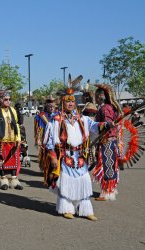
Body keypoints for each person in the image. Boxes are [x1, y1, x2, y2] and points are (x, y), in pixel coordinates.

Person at [45, 74, 109, 221]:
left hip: (79, 156)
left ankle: (86, 210)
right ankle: (66, 208)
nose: (71, 104)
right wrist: (53, 157)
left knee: (84, 181)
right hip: (65, 155)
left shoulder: (82, 119)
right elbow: (48, 142)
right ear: (62, 103)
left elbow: (94, 126)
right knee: (65, 182)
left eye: (72, 101)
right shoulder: (55, 120)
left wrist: (105, 125)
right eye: (68, 102)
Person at [0, 89, 23, 190]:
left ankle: (14, 180)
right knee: (1, 160)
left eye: (9, 99)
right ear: (0, 100)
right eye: (5, 99)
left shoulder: (12, 110)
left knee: (14, 159)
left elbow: (16, 124)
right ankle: (3, 180)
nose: (8, 101)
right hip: (1, 141)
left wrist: (18, 138)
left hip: (13, 140)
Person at [93, 84, 122, 201]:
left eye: (96, 95)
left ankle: (106, 192)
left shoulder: (105, 108)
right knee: (110, 165)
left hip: (107, 141)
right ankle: (110, 190)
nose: (95, 98)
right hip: (111, 140)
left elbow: (107, 123)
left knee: (107, 165)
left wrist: (103, 126)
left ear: (101, 96)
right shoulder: (111, 107)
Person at [34, 97, 57, 179]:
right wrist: (38, 139)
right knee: (46, 155)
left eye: (53, 106)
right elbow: (38, 129)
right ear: (46, 107)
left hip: (56, 138)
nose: (51, 108)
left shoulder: (58, 116)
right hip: (45, 138)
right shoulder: (40, 116)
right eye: (49, 106)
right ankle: (47, 170)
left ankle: (55, 171)